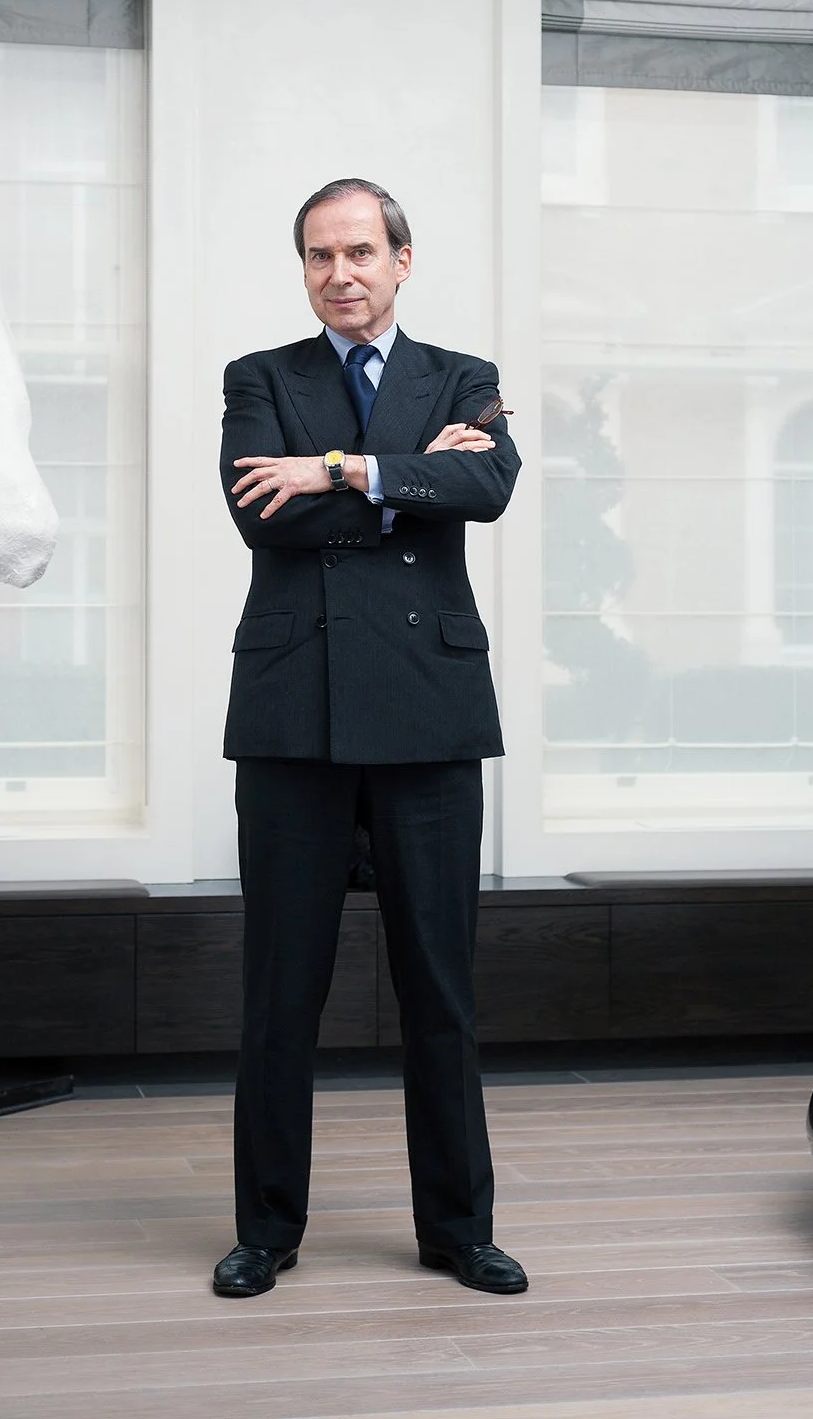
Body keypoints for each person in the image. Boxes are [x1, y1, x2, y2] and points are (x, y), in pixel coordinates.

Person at [213, 178, 525, 1299]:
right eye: (316, 256)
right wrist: (410, 481)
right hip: (295, 712)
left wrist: (339, 470)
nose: (338, 273)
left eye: (358, 252)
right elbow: (262, 513)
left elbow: (488, 486)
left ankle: (457, 1229)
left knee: (439, 988)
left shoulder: (464, 378)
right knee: (277, 993)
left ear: (402, 259)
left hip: (430, 714)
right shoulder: (262, 377)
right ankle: (266, 1230)